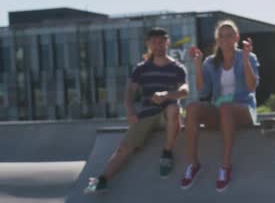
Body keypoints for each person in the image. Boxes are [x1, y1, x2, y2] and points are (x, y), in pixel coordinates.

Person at [84, 27, 189, 194]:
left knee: (173, 107)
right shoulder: (142, 68)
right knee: (124, 148)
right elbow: (129, 92)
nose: (158, 45)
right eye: (154, 42)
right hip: (147, 114)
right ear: (148, 44)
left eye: (161, 41)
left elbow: (185, 90)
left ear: (167, 42)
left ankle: (167, 153)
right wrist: (130, 111)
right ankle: (102, 180)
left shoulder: (177, 68)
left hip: (168, 116)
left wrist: (167, 94)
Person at [181, 20, 260, 192]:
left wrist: (246, 60)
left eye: (229, 35)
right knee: (192, 108)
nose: (225, 39)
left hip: (243, 110)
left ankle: (225, 166)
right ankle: (194, 164)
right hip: (220, 112)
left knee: (225, 107)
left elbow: (251, 87)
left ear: (236, 37)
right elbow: (203, 92)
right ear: (217, 39)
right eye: (221, 36)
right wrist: (197, 66)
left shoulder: (248, 57)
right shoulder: (210, 62)